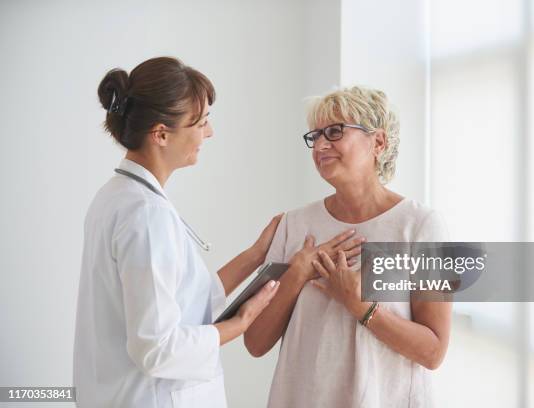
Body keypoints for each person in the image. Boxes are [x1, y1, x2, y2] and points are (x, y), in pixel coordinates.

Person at [73, 57, 359, 408]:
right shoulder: (145, 213)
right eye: (202, 122)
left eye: (335, 133)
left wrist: (256, 254)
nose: (209, 133)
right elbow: (158, 348)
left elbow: (187, 302)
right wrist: (241, 323)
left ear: (379, 143)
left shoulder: (117, 196)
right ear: (161, 134)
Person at [244, 86, 452, 407]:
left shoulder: (421, 225)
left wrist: (361, 306)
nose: (321, 145)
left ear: (378, 142)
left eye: (335, 132)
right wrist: (297, 274)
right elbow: (255, 341)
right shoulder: (294, 225)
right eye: (316, 135)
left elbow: (433, 351)